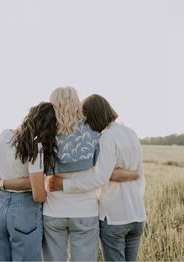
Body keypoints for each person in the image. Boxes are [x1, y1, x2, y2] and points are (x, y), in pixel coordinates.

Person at [1, 87, 138, 261]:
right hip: (85, 211)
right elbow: (103, 171)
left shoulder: (46, 133)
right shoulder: (95, 132)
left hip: (53, 211)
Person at [49, 94, 147, 262]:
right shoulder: (131, 133)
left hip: (114, 215)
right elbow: (137, 174)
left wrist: (65, 185)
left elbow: (100, 178)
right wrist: (129, 175)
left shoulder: (106, 137)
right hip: (138, 213)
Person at [0, 102, 57, 261]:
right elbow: (38, 196)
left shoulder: (4, 135)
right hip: (24, 211)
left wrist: (4, 184)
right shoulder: (35, 146)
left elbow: (8, 177)